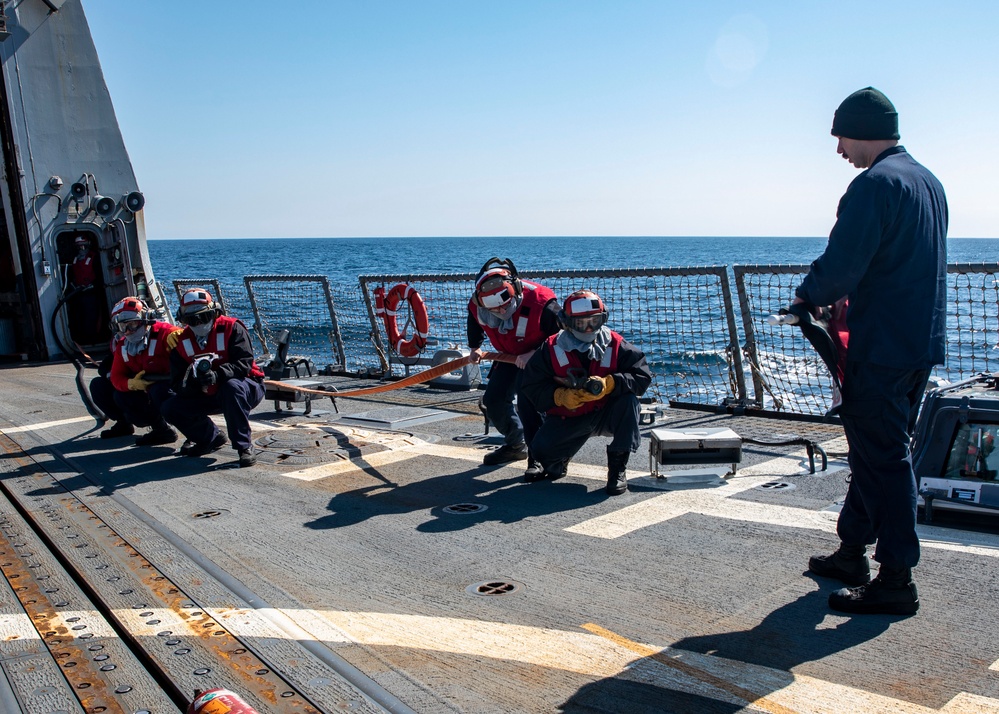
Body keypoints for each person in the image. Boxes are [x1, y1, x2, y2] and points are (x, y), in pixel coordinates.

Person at [797, 87, 947, 615]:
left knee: (884, 459)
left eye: (840, 137)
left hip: (880, 346)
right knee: (872, 449)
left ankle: (896, 579)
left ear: (860, 130)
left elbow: (843, 263)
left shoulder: (874, 184)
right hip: (918, 342)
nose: (839, 149)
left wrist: (806, 296)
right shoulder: (927, 182)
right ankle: (851, 551)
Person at [520, 290, 652, 495]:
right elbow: (531, 385)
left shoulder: (616, 344)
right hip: (569, 416)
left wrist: (611, 383)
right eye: (581, 323)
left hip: (605, 413)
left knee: (629, 402)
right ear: (567, 323)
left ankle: (618, 469)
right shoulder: (551, 347)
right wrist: (560, 396)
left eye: (595, 321)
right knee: (542, 452)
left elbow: (642, 376)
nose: (589, 328)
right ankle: (559, 460)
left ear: (603, 319)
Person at [467, 257, 560, 474]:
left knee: (530, 403)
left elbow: (564, 336)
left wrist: (535, 353)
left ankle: (539, 457)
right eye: (494, 309)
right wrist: (475, 347)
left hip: (540, 356)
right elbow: (474, 320)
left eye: (505, 305)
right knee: (494, 401)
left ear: (516, 289)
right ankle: (516, 444)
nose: (501, 312)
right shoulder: (476, 305)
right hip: (508, 356)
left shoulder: (542, 302)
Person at [162, 289, 265, 467]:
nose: (199, 323)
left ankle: (244, 447)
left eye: (203, 317)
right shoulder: (180, 342)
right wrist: (194, 383)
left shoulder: (232, 328)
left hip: (245, 387)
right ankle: (209, 438)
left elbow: (244, 363)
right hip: (207, 392)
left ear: (214, 313)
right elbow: (177, 382)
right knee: (170, 407)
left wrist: (218, 375)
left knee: (231, 388)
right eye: (192, 320)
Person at [107, 296, 182, 445]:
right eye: (123, 327)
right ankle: (156, 428)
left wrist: (181, 335)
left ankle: (196, 431)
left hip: (170, 386)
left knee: (159, 392)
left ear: (145, 320)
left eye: (132, 325)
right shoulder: (123, 346)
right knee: (110, 391)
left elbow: (182, 337)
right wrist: (132, 384)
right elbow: (116, 377)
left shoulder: (165, 334)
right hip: (146, 390)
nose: (128, 331)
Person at [67, 235, 102, 344]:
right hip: (77, 294)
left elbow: (100, 275)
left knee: (91, 317)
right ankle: (80, 338)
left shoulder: (94, 258)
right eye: (79, 247)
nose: (81, 249)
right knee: (78, 316)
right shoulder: (74, 259)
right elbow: (71, 275)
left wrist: (92, 285)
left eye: (83, 246)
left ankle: (92, 339)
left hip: (91, 293)